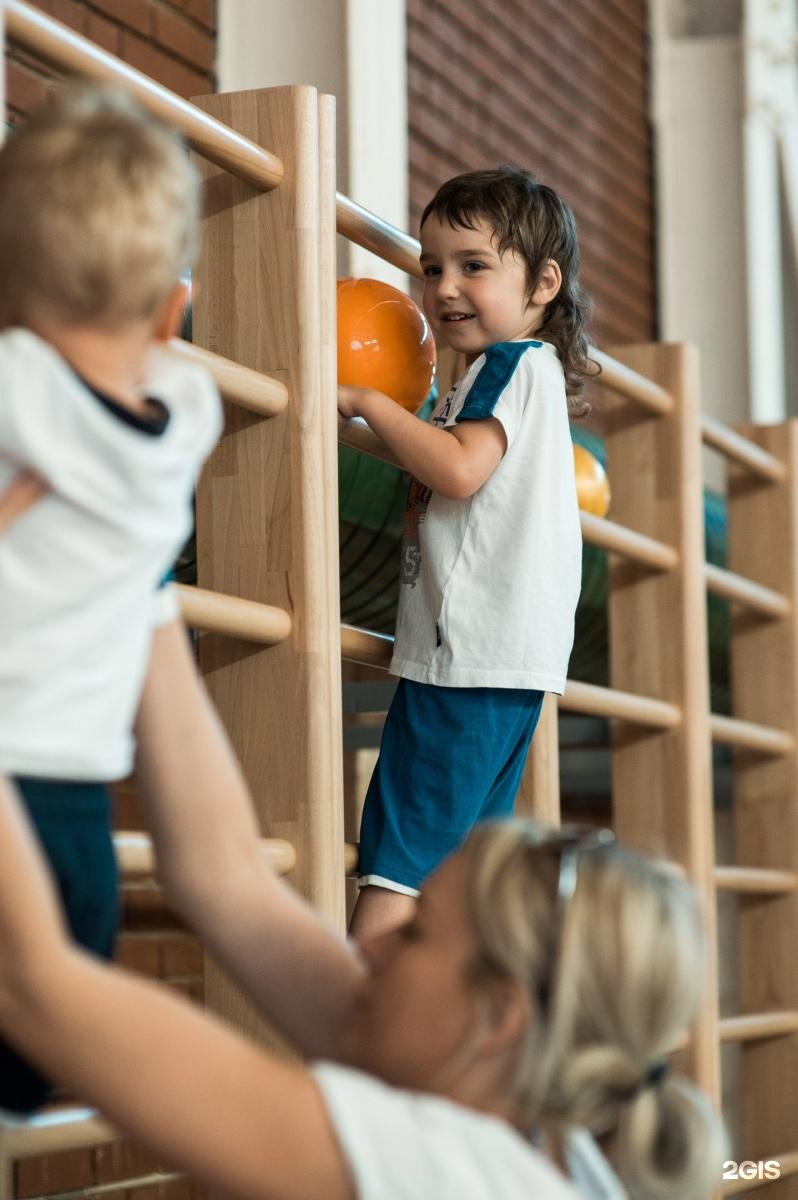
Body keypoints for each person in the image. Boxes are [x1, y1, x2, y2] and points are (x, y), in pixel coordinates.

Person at [0, 749, 726, 1199]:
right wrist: (144, 576)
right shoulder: (535, 1136)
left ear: (503, 1015)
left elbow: (27, 982)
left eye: (412, 935)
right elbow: (225, 880)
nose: (368, 950)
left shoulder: (447, 1177)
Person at [0, 83, 227, 1111]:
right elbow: (160, 363)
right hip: (81, 840)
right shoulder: (184, 420)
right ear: (173, 312)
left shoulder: (15, 387)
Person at [338, 167, 593, 939]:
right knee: (451, 876)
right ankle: (423, 1042)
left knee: (399, 860)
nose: (445, 287)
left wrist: (363, 401)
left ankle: (361, 1036)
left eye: (473, 266)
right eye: (431, 267)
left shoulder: (511, 366)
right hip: (501, 661)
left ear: (543, 283)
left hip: (470, 659)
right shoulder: (510, 376)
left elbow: (455, 467)